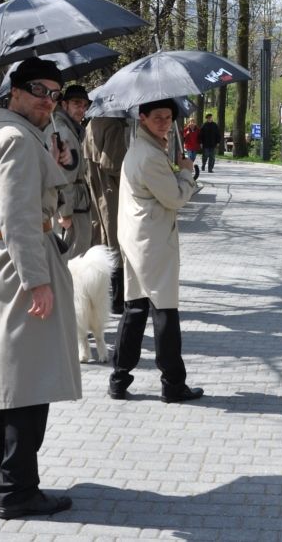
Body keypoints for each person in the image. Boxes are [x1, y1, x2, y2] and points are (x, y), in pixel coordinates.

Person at [0, 57, 81, 519]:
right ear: (14, 92)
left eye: (55, 92)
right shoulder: (15, 141)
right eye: (39, 90)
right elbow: (21, 219)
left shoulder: (2, 134)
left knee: (6, 372)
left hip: (0, 256)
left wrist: (58, 163)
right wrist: (38, 282)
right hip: (20, 260)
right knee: (29, 378)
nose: (48, 100)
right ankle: (18, 490)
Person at [108, 98, 204, 403]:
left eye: (168, 117)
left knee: (135, 309)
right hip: (152, 241)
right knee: (164, 311)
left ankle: (119, 378)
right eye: (158, 117)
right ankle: (173, 383)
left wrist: (174, 168)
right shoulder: (149, 155)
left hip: (138, 236)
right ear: (143, 118)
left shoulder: (143, 149)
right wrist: (187, 172)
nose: (164, 122)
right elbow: (175, 198)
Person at [83, 115, 128, 313]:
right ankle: (118, 299)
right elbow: (111, 163)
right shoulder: (114, 125)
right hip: (112, 189)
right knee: (116, 239)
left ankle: (105, 295)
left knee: (102, 238)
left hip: (95, 187)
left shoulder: (92, 123)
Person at [44, 84, 92, 259]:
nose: (81, 109)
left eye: (84, 105)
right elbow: (63, 178)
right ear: (64, 105)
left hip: (74, 205)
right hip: (72, 209)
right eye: (76, 104)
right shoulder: (63, 132)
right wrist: (66, 213)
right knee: (73, 259)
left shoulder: (67, 129)